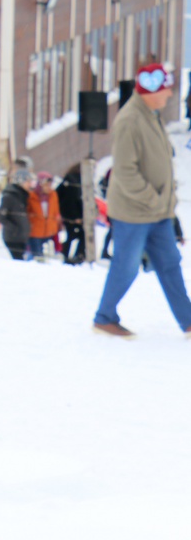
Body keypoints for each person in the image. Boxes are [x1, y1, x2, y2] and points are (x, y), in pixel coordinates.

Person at [92, 61, 191, 338]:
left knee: (170, 263)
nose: (169, 95)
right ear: (151, 90)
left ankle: (188, 320)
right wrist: (154, 199)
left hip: (157, 211)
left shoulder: (150, 114)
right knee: (126, 265)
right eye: (166, 90)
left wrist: (163, 203)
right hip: (134, 212)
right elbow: (125, 173)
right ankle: (104, 317)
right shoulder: (130, 120)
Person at [0, 169, 32, 260]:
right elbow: (1, 217)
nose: (30, 184)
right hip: (12, 237)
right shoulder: (10, 196)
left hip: (21, 237)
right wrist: (14, 228)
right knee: (18, 262)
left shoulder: (23, 195)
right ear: (21, 181)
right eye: (28, 181)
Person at [26, 171, 62, 260]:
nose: (48, 187)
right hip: (35, 231)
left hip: (49, 231)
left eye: (50, 185)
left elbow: (55, 212)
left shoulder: (53, 195)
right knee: (36, 257)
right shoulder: (31, 196)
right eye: (46, 185)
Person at [56, 165, 86, 264]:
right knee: (74, 235)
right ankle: (71, 256)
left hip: (73, 213)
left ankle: (75, 255)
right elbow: (71, 200)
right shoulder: (73, 181)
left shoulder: (75, 179)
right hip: (71, 215)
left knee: (76, 235)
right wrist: (75, 216)